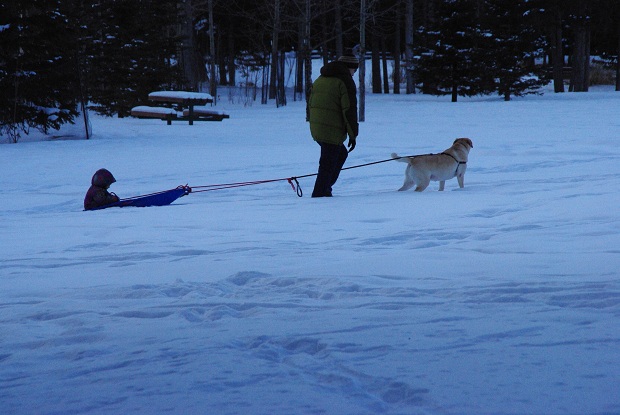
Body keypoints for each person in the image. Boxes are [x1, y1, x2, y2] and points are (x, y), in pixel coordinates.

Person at [307, 53, 359, 197]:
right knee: (327, 164)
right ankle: (319, 194)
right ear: (350, 68)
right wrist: (353, 135)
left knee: (339, 154)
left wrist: (310, 120)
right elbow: (349, 110)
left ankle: (326, 188)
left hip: (318, 126)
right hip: (331, 128)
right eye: (354, 70)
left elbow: (309, 100)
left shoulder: (322, 78)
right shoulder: (345, 81)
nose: (354, 74)